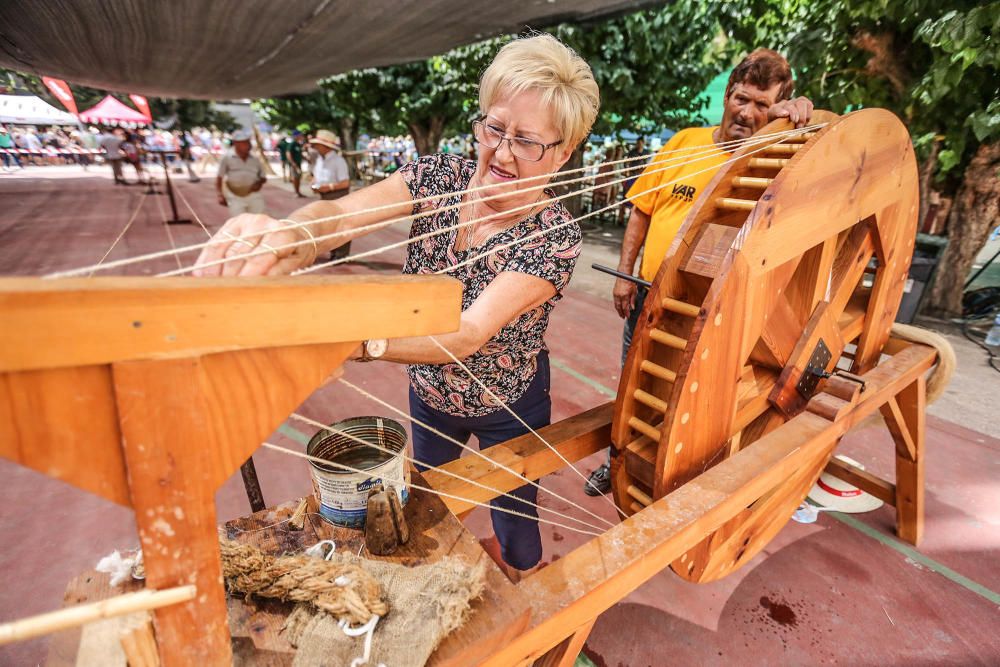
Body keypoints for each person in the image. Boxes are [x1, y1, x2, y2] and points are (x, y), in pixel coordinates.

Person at [194, 34, 599, 581]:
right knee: (428, 498)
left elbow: (465, 333)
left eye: (527, 141)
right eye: (495, 128)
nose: (502, 153)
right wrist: (291, 235)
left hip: (509, 404)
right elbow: (342, 216)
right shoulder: (440, 178)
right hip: (431, 396)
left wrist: (356, 343)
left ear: (563, 153)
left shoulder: (555, 235)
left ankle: (526, 583)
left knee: (514, 513)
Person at [583, 48, 814, 496]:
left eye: (762, 105)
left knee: (692, 399)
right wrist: (623, 275)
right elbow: (641, 210)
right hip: (649, 298)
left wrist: (799, 119)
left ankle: (675, 483)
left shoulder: (775, 160)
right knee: (635, 389)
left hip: (713, 310)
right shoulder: (684, 143)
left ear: (777, 107)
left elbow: (829, 160)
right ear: (728, 95)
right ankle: (617, 465)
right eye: (742, 99)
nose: (747, 113)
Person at [308, 129, 352, 260]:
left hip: (337, 196)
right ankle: (334, 252)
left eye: (318, 144)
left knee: (340, 226)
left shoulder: (338, 161)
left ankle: (341, 254)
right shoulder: (320, 160)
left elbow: (345, 183)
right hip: (325, 196)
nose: (315, 147)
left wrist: (328, 187)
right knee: (328, 227)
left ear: (325, 146)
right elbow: (316, 177)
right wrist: (314, 184)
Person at [216, 129, 267, 216]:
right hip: (235, 196)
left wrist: (259, 183)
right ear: (236, 144)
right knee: (238, 220)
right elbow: (219, 177)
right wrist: (220, 195)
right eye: (244, 143)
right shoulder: (227, 158)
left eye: (248, 142)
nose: (248, 145)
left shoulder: (255, 159)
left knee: (259, 219)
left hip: (253, 194)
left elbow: (263, 177)